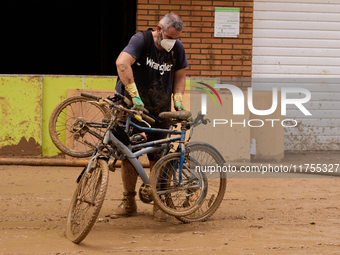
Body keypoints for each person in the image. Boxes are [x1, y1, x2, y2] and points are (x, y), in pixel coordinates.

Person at [112, 13, 188, 221]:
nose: (172, 43)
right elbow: (122, 63)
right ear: (159, 29)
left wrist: (178, 98)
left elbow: (180, 75)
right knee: (130, 156)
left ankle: (159, 202)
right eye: (169, 37)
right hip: (133, 110)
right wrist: (134, 97)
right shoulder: (141, 41)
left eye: (176, 39)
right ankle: (129, 201)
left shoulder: (177, 48)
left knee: (159, 157)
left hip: (160, 110)